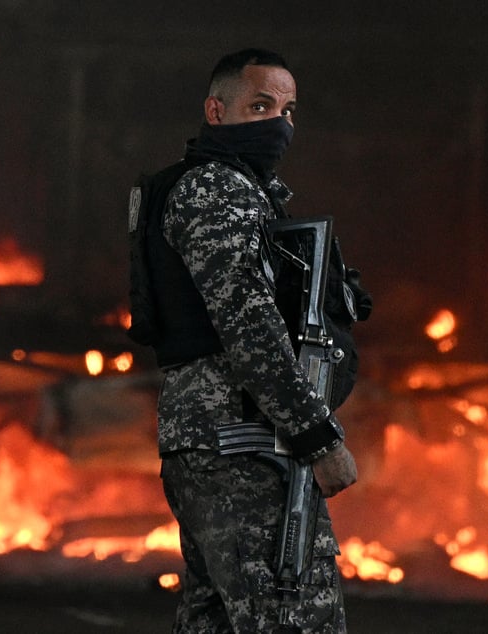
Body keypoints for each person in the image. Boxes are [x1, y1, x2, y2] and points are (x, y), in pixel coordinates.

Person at [150, 48, 359, 633]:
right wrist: (319, 438)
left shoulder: (240, 190)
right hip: (244, 446)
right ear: (216, 112)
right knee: (295, 618)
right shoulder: (216, 190)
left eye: (289, 110)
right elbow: (251, 328)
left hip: (224, 444)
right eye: (261, 106)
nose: (279, 124)